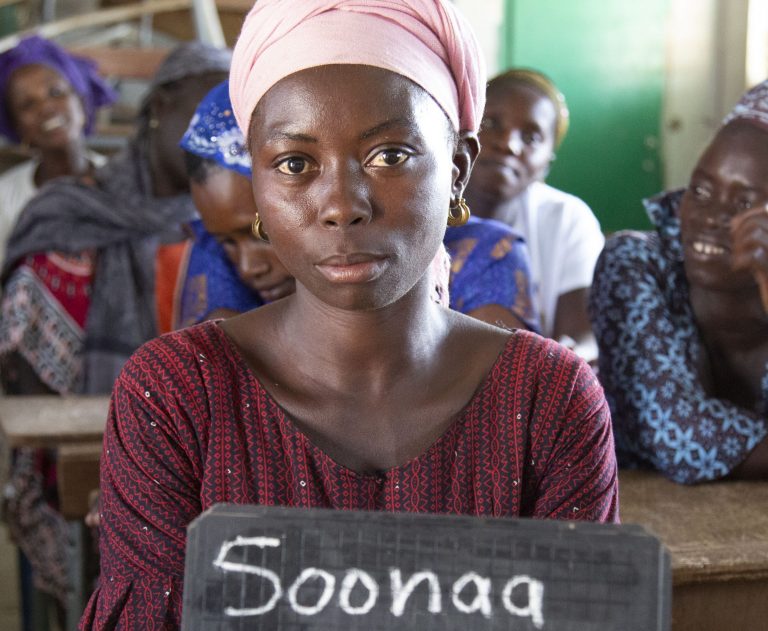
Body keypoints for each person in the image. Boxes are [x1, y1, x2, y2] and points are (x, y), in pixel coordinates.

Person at [81, 2, 618, 626]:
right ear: (256, 184)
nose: (341, 205)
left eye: (389, 155)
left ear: (457, 171)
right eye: (294, 164)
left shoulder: (549, 399)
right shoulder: (177, 394)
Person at [0, 42, 229, 621]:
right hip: (79, 458)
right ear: (159, 106)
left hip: (196, 466)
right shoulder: (73, 215)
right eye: (208, 108)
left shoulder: (234, 222)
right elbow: (30, 370)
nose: (221, 132)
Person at [179, 79, 539, 331]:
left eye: (260, 234)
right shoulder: (215, 251)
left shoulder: (486, 254)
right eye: (231, 241)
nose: (248, 266)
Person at [589, 80, 768, 484]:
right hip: (642, 518)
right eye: (700, 189)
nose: (709, 216)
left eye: (743, 202)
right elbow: (684, 439)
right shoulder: (637, 265)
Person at [465, 68, 604, 358]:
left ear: (547, 163)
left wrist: (566, 358)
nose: (508, 144)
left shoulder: (567, 218)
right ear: (463, 128)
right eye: (490, 123)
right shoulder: (419, 205)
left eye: (530, 138)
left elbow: (583, 334)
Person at [0, 35, 116, 265]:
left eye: (56, 93)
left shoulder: (122, 182)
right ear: (17, 128)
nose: (46, 108)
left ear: (82, 105)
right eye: (28, 104)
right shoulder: (5, 198)